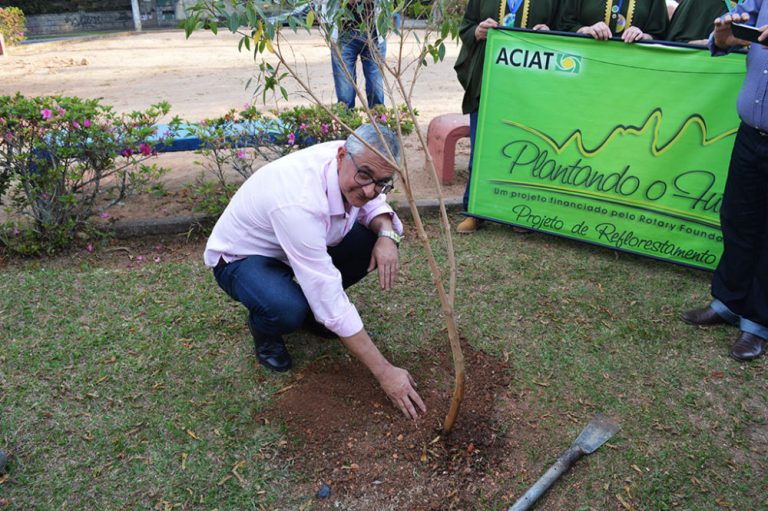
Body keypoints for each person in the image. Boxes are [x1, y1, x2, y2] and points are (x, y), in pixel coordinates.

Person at [203, 124, 427, 418]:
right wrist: (385, 372)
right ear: (341, 156)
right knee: (286, 309)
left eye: (382, 182)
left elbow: (375, 205)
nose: (369, 190)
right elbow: (327, 294)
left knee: (370, 240)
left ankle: (315, 320)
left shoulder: (360, 158)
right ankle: (265, 330)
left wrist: (387, 234)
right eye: (364, 176)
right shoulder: (299, 201)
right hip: (241, 258)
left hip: (294, 246)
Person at [681, 2, 768, 361]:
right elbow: (735, 26)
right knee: (737, 218)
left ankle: (758, 322)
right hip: (751, 132)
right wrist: (723, 38)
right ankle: (729, 302)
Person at [454, 0, 563, 234]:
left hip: (531, 83)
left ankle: (518, 212)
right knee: (482, 147)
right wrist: (477, 31)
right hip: (488, 78)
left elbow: (565, 26)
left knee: (525, 145)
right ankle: (475, 210)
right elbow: (467, 26)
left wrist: (550, 33)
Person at [324, 0, 386, 108]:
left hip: (374, 33)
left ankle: (378, 118)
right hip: (342, 35)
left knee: (376, 89)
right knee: (345, 93)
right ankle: (346, 118)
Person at [558, 0, 668, 42]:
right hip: (586, 62)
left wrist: (642, 36)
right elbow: (564, 25)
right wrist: (586, 30)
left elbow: (660, 35)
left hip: (634, 66)